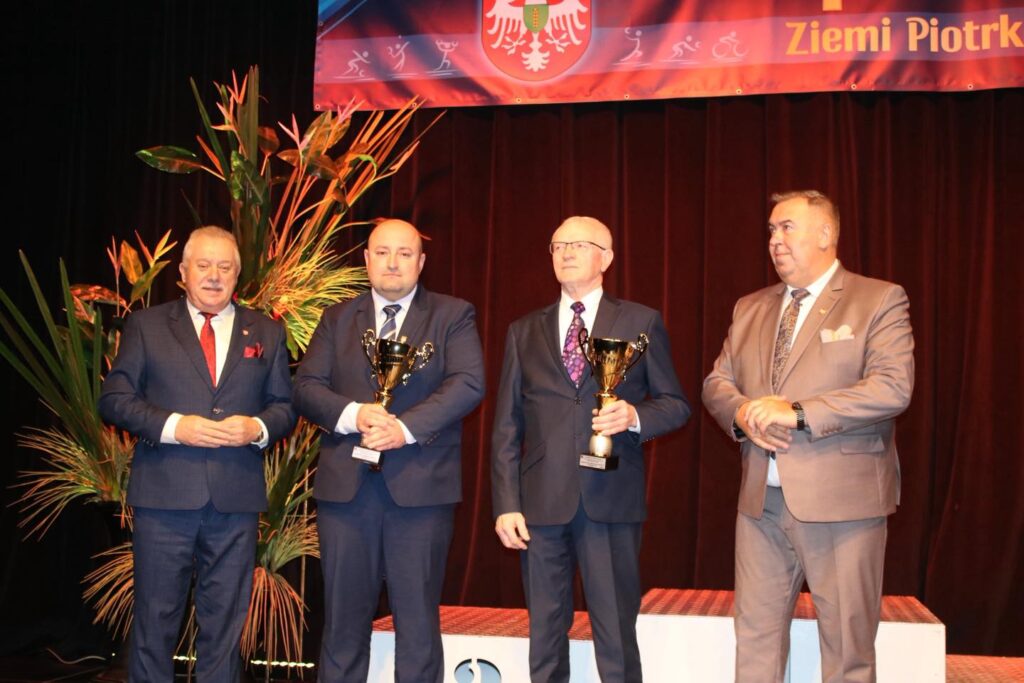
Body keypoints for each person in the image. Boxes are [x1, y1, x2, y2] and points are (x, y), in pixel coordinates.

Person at [702, 190, 915, 683]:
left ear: (825, 233)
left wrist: (797, 413)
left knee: (846, 651)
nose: (775, 240)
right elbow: (717, 382)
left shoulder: (878, 299)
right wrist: (743, 413)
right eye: (771, 230)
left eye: (787, 228)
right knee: (754, 643)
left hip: (844, 507)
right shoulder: (750, 307)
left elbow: (892, 387)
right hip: (760, 506)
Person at [491, 216, 690, 683]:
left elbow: (675, 404)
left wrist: (634, 416)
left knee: (615, 633)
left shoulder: (640, 321)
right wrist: (506, 504)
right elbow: (506, 425)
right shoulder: (524, 330)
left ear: (607, 257)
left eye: (580, 244)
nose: (566, 252)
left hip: (611, 497)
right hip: (541, 503)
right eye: (558, 244)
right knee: (544, 633)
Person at [99, 225, 296, 681]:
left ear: (237, 275)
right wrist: (175, 426)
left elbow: (285, 408)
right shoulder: (147, 326)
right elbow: (114, 399)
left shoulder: (266, 331)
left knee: (225, 625)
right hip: (164, 497)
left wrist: (257, 427)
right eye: (203, 266)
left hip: (235, 501)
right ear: (183, 273)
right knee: (155, 621)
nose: (214, 276)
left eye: (224, 267)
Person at [294, 218, 485, 683]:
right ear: (366, 260)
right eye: (382, 252)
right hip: (346, 494)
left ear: (421, 262)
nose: (393, 263)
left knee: (417, 625)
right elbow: (306, 387)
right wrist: (354, 414)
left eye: (404, 253)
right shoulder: (337, 318)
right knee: (342, 625)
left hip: (421, 493)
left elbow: (468, 383)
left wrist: (404, 428)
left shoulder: (453, 314)